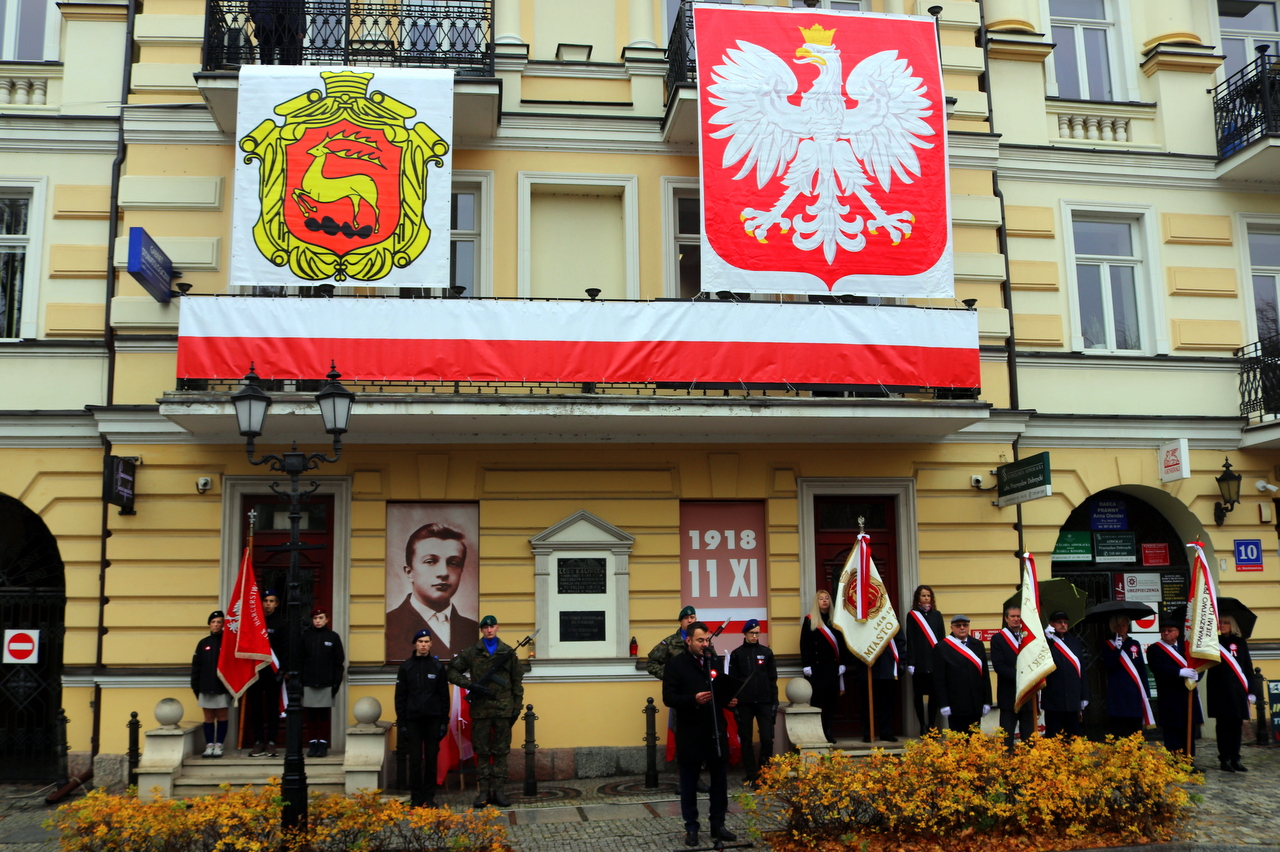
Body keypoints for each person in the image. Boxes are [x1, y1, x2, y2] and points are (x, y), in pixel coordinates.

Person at [663, 621, 739, 848]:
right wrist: (692, 699)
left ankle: (718, 825)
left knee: (720, 783)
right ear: (688, 641)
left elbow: (720, 692)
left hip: (715, 729)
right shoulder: (676, 665)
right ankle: (692, 828)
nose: (705, 644)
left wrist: (730, 701)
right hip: (691, 731)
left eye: (707, 640)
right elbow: (669, 698)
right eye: (700, 640)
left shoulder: (713, 661)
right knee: (688, 783)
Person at [448, 614, 525, 807]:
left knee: (500, 751)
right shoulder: (473, 652)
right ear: (481, 630)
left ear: (497, 628)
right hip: (481, 709)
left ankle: (499, 791)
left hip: (503, 709)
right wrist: (470, 685)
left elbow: (517, 682)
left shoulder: (508, 652)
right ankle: (483, 793)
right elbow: (451, 671)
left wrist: (516, 707)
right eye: (485, 627)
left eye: (492, 627)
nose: (489, 630)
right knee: (482, 751)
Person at [386, 523, 480, 662]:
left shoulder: (473, 630)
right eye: (430, 561)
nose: (443, 573)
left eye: (453, 563)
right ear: (409, 572)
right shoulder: (389, 626)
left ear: (461, 570)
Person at [395, 628, 451, 808]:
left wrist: (444, 722)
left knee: (432, 760)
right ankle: (416, 797)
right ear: (415, 644)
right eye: (420, 642)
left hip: (433, 720)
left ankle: (429, 796)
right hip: (413, 720)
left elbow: (444, 696)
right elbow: (400, 697)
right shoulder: (406, 667)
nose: (423, 645)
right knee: (415, 759)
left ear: (431, 644)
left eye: (426, 642)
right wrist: (402, 723)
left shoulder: (437, 667)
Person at [727, 618, 778, 785]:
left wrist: (774, 703)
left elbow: (772, 680)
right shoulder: (737, 654)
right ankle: (750, 774)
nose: (755, 636)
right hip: (744, 703)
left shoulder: (767, 652)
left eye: (757, 633)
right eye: (752, 633)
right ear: (745, 633)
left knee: (766, 738)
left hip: (764, 702)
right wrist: (733, 701)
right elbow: (733, 680)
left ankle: (764, 773)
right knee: (746, 738)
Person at [800, 589, 854, 743]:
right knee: (816, 702)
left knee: (830, 703)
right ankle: (817, 732)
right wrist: (806, 664)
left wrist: (843, 662)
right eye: (821, 599)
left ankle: (828, 730)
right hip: (815, 669)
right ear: (816, 602)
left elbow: (843, 643)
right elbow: (805, 644)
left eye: (827, 598)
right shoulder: (810, 620)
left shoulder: (835, 621)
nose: (824, 601)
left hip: (832, 668)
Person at [1207, 615, 1258, 772]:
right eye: (1220, 622)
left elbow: (1248, 668)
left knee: (1236, 725)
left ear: (1233, 625)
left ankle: (1236, 758)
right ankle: (1224, 759)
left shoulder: (1241, 643)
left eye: (1226, 622)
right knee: (1222, 726)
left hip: (1238, 691)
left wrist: (1252, 691)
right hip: (1219, 691)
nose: (1222, 625)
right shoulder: (1213, 643)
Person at [1147, 618, 1202, 758]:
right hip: (1169, 696)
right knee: (1172, 730)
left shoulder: (1186, 647)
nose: (1166, 633)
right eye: (1163, 631)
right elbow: (1157, 668)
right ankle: (1174, 762)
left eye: (1170, 631)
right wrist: (1179, 672)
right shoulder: (1154, 649)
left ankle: (1189, 760)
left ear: (1177, 632)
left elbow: (1199, 664)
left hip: (1187, 694)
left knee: (1188, 729)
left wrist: (1197, 676)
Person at [932, 614, 991, 733]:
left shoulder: (978, 645)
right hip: (955, 704)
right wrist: (944, 704)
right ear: (952, 627)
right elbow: (939, 679)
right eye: (958, 625)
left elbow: (985, 676)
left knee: (974, 742)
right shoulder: (942, 647)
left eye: (965, 625)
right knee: (957, 742)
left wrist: (987, 701)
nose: (962, 628)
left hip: (975, 703)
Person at [1098, 615, 1153, 739]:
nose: (1121, 628)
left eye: (1124, 625)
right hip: (1118, 692)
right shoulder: (1108, 645)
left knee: (1135, 729)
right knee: (1119, 728)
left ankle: (1136, 756)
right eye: (1118, 626)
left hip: (1134, 692)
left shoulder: (1134, 644)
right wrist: (1117, 650)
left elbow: (1141, 669)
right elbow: (1108, 666)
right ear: (1113, 627)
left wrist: (1146, 692)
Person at [301, 608, 345, 757]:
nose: (318, 621)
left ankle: (323, 744)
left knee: (324, 715)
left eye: (320, 618)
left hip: (327, 683)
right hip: (309, 683)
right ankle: (313, 743)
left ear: (327, 619)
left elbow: (339, 662)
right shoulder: (306, 637)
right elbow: (300, 660)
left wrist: (336, 683)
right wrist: (301, 681)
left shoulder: (333, 637)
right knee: (311, 715)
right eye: (315, 618)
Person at [247, 589, 285, 757]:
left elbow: (285, 649)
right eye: (265, 601)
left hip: (273, 672)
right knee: (255, 708)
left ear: (276, 604)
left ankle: (271, 741)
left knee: (272, 708)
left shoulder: (281, 623)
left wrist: (283, 670)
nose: (268, 604)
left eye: (271, 601)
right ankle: (258, 741)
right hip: (255, 672)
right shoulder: (253, 623)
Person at [991, 604, 1034, 750]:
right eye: (1013, 616)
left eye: (1018, 616)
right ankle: (1007, 766)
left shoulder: (1028, 637)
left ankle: (1029, 765)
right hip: (1008, 694)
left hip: (1027, 694)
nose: (1016, 619)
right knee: (1007, 737)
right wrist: (1021, 676)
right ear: (1006, 618)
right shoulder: (998, 639)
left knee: (1029, 737)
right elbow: (998, 666)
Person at [1042, 610, 1089, 738]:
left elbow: (1082, 670)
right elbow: (1040, 661)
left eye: (1065, 622)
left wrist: (1084, 696)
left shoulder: (1074, 642)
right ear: (1051, 624)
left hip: (1073, 698)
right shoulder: (1045, 642)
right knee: (1053, 736)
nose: (1063, 625)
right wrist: (1047, 640)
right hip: (1053, 699)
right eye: (1059, 622)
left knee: (1073, 736)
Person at [904, 584, 944, 735]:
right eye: (923, 595)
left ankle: (932, 725)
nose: (926, 598)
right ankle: (922, 725)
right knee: (919, 694)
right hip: (919, 662)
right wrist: (911, 662)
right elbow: (911, 639)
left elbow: (941, 639)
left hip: (934, 662)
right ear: (918, 598)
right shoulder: (912, 615)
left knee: (934, 695)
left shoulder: (937, 615)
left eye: (928, 596)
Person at [191, 610, 230, 758]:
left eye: (219, 622)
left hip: (221, 687)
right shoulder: (203, 643)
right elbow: (196, 667)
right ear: (209, 625)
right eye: (213, 622)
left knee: (221, 716)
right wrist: (196, 687)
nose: (216, 625)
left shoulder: (227, 643)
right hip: (206, 687)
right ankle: (209, 745)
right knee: (208, 718)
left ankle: (219, 744)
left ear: (223, 624)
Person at [861, 632, 903, 743]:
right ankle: (868, 733)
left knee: (886, 703)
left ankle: (886, 732)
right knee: (867, 704)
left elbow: (899, 640)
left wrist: (902, 660)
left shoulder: (890, 616)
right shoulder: (862, 615)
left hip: (887, 665)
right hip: (867, 665)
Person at [646, 605, 699, 680]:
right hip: (679, 688)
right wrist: (669, 676)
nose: (689, 620)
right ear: (680, 621)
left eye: (692, 617)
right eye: (686, 618)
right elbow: (651, 663)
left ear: (695, 619)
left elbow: (713, 662)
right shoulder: (670, 642)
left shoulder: (703, 641)